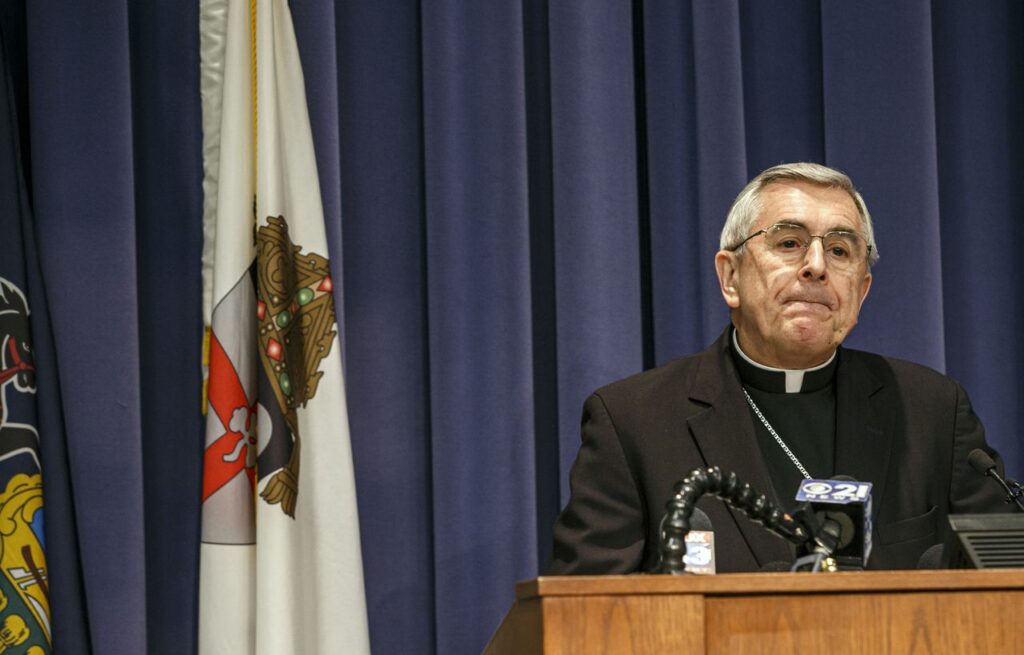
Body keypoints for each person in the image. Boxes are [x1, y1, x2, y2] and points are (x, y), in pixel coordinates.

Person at [546, 162, 1007, 574]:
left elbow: (1007, 586)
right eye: (789, 242)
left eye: (841, 251)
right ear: (730, 277)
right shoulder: (634, 421)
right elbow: (584, 618)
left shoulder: (932, 412)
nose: (816, 266)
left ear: (861, 292)